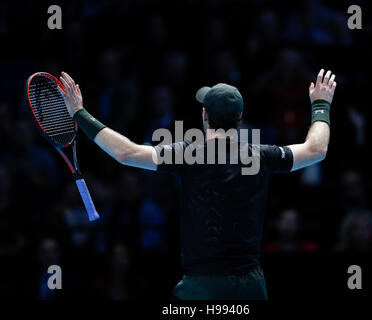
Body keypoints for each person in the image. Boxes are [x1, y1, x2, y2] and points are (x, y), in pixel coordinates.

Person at [58, 68, 336, 300]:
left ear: (204, 117)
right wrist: (321, 104)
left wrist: (79, 113)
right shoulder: (261, 155)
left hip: (202, 286)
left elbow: (126, 153)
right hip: (251, 286)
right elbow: (316, 150)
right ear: (239, 119)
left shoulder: (190, 154)